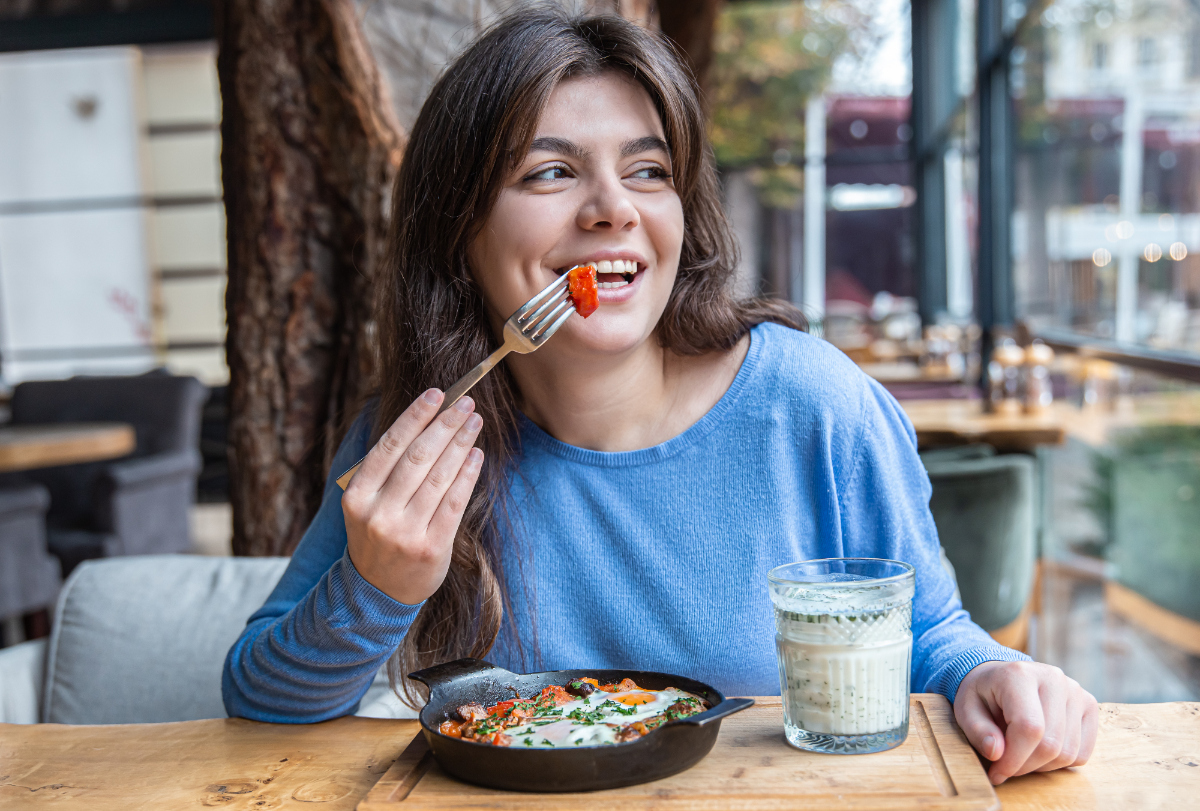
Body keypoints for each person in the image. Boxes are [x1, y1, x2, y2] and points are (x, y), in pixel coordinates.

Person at [223, 9, 1097, 785]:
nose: (614, 209)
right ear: (459, 233)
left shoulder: (812, 402)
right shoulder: (420, 437)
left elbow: (934, 635)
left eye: (648, 171)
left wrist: (997, 675)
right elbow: (258, 698)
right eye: (550, 173)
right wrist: (377, 587)